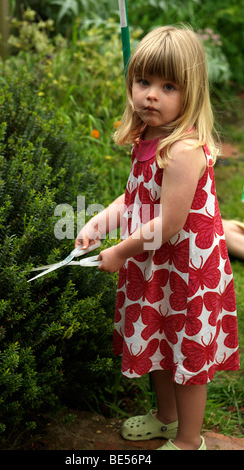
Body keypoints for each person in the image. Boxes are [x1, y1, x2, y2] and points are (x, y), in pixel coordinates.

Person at [75, 25, 240, 450]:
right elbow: (134, 197)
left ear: (192, 94)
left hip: (188, 272)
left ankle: (189, 441)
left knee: (186, 357)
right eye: (143, 82)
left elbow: (167, 223)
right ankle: (166, 419)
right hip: (158, 267)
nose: (151, 95)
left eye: (169, 86)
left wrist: (120, 252)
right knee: (159, 343)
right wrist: (98, 224)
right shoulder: (147, 136)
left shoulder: (183, 150)